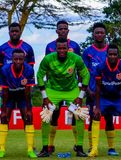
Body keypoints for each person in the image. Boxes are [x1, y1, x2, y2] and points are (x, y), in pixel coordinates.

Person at [37, 37, 90, 157]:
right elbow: (39, 76)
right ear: (55, 49)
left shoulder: (76, 58)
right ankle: (45, 148)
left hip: (71, 90)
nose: (61, 50)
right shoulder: (48, 59)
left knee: (80, 115)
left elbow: (86, 75)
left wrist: (80, 96)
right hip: (53, 90)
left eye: (64, 48)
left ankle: (80, 148)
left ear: (68, 48)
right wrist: (45, 97)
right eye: (59, 48)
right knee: (45, 115)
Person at [88, 44, 121, 157]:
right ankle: (94, 149)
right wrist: (97, 106)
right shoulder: (100, 67)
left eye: (115, 54)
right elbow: (98, 87)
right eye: (110, 54)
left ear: (118, 55)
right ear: (107, 55)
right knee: (96, 115)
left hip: (118, 98)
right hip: (104, 97)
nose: (113, 56)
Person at [44, 20, 81, 154]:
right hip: (54, 88)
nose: (63, 30)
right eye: (61, 29)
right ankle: (50, 145)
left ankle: (78, 145)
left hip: (72, 87)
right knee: (54, 114)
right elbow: (47, 68)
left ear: (68, 30)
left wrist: (81, 86)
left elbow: (80, 67)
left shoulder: (75, 46)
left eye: (65, 28)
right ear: (57, 31)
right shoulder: (49, 46)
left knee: (76, 114)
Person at [82, 22, 117, 155]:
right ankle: (92, 147)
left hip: (108, 92)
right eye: (97, 32)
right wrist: (87, 91)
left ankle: (111, 148)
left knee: (109, 118)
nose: (99, 35)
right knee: (92, 119)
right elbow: (83, 73)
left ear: (105, 34)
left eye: (102, 32)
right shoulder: (87, 52)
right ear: (93, 34)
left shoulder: (111, 51)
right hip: (92, 92)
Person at [0, 49, 37, 158]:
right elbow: (4, 91)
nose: (18, 61)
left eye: (21, 59)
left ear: (24, 59)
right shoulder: (5, 70)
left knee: (28, 118)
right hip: (9, 96)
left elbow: (28, 91)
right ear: (12, 59)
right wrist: (3, 110)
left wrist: (28, 109)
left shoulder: (28, 69)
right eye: (16, 59)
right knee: (4, 118)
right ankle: (2, 149)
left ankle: (30, 149)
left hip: (23, 96)